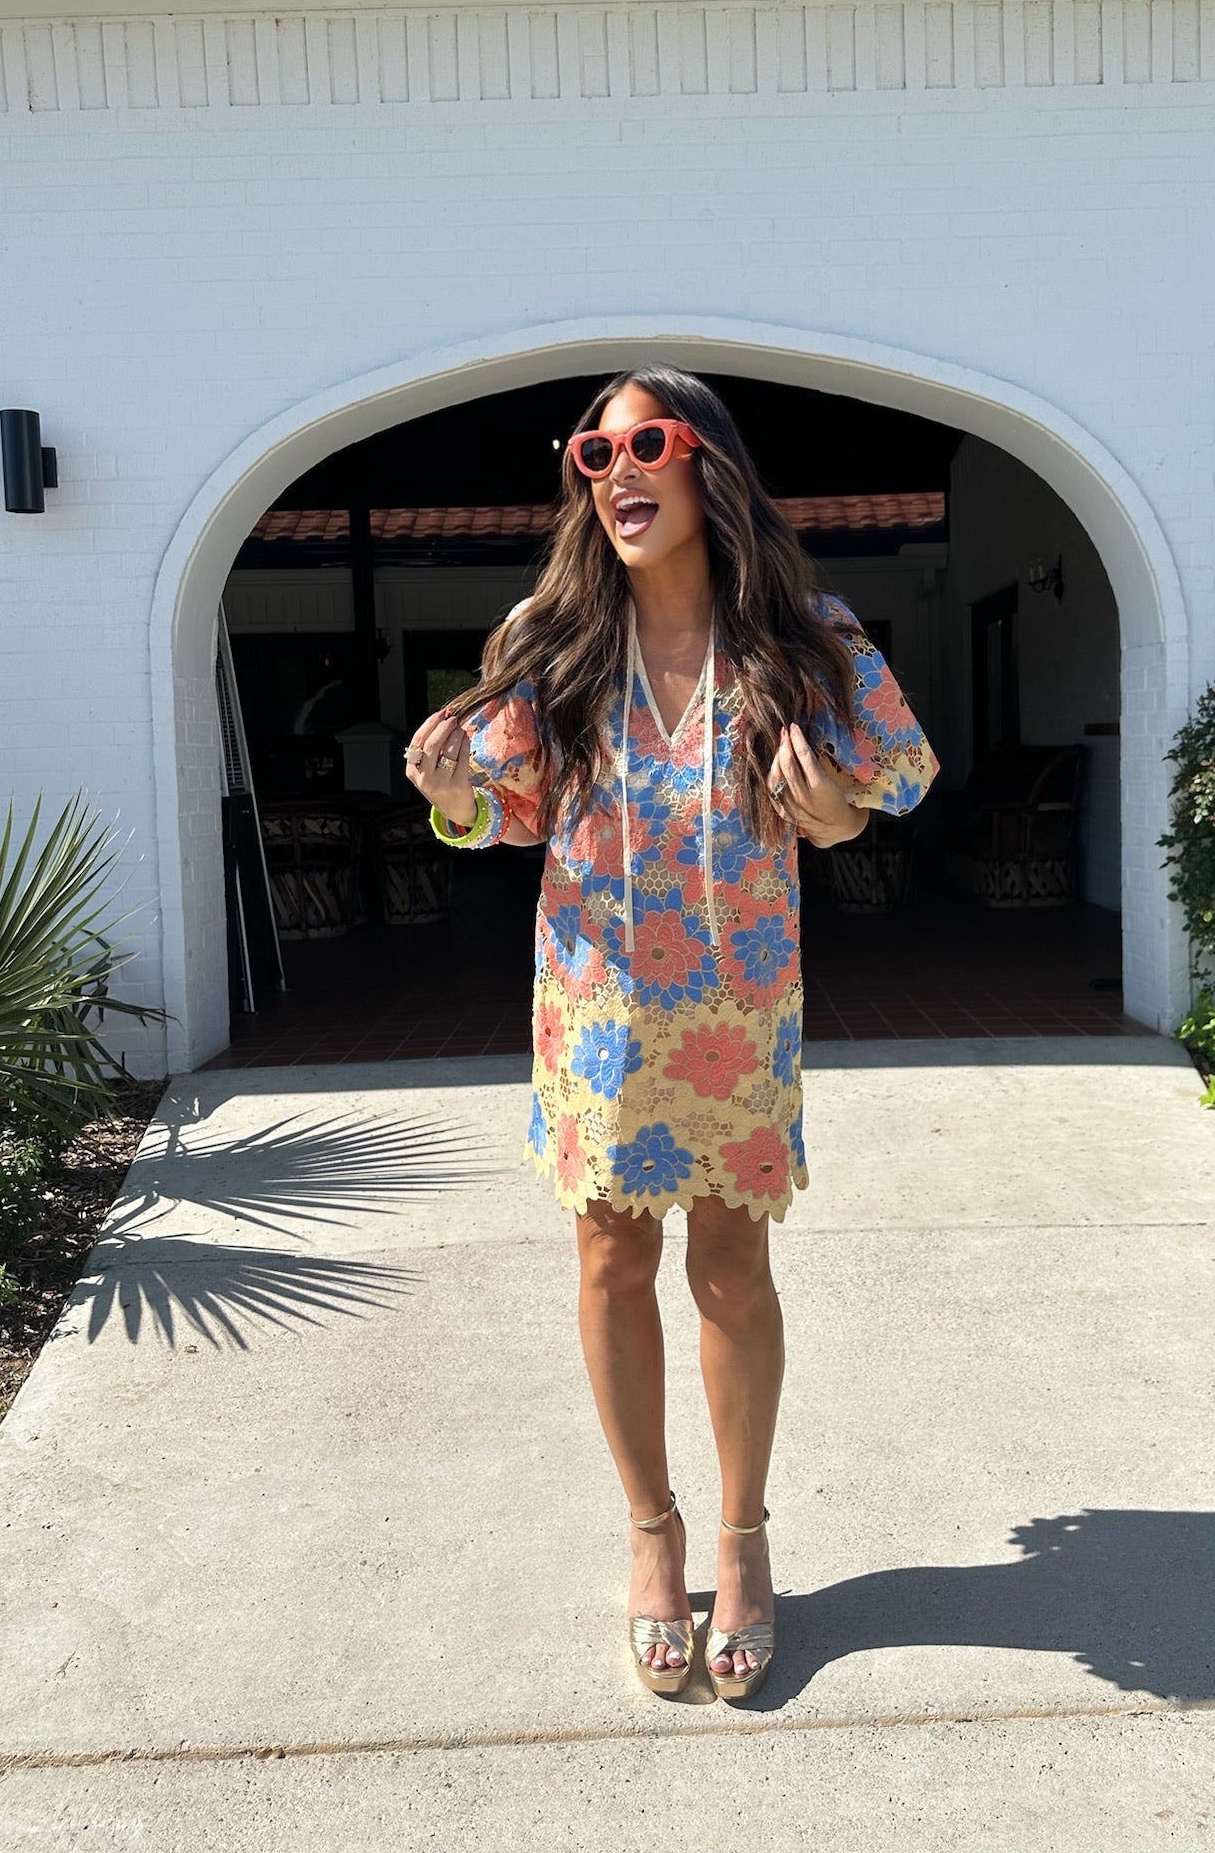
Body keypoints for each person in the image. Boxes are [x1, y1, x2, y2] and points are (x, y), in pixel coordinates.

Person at [404, 366, 936, 1701]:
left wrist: (835, 818)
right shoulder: (549, 639)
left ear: (710, 462)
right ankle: (654, 1535)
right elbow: (502, 817)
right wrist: (453, 796)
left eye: (648, 441)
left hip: (740, 1004)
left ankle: (745, 1540)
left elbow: (886, 786)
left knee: (734, 1270)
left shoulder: (799, 633)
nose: (619, 471)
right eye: (595, 453)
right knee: (610, 1259)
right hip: (598, 1008)